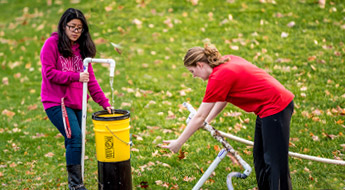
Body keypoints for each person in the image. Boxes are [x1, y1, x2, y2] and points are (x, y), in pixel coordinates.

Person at [162, 45, 294, 190]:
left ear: (200, 65)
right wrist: (207, 121)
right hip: (266, 109)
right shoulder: (225, 62)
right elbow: (223, 98)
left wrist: (179, 142)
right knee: (260, 158)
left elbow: (199, 115)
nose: (193, 76)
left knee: (274, 163)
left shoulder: (219, 76)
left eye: (192, 71)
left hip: (276, 107)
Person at [40, 8, 112, 190]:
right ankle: (76, 186)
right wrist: (75, 76)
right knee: (75, 137)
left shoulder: (82, 50)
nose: (75, 31)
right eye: (72, 26)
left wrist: (104, 103)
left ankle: (76, 182)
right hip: (57, 102)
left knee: (76, 140)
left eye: (79, 28)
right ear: (64, 26)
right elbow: (49, 73)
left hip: (78, 102)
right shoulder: (52, 44)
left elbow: (91, 80)